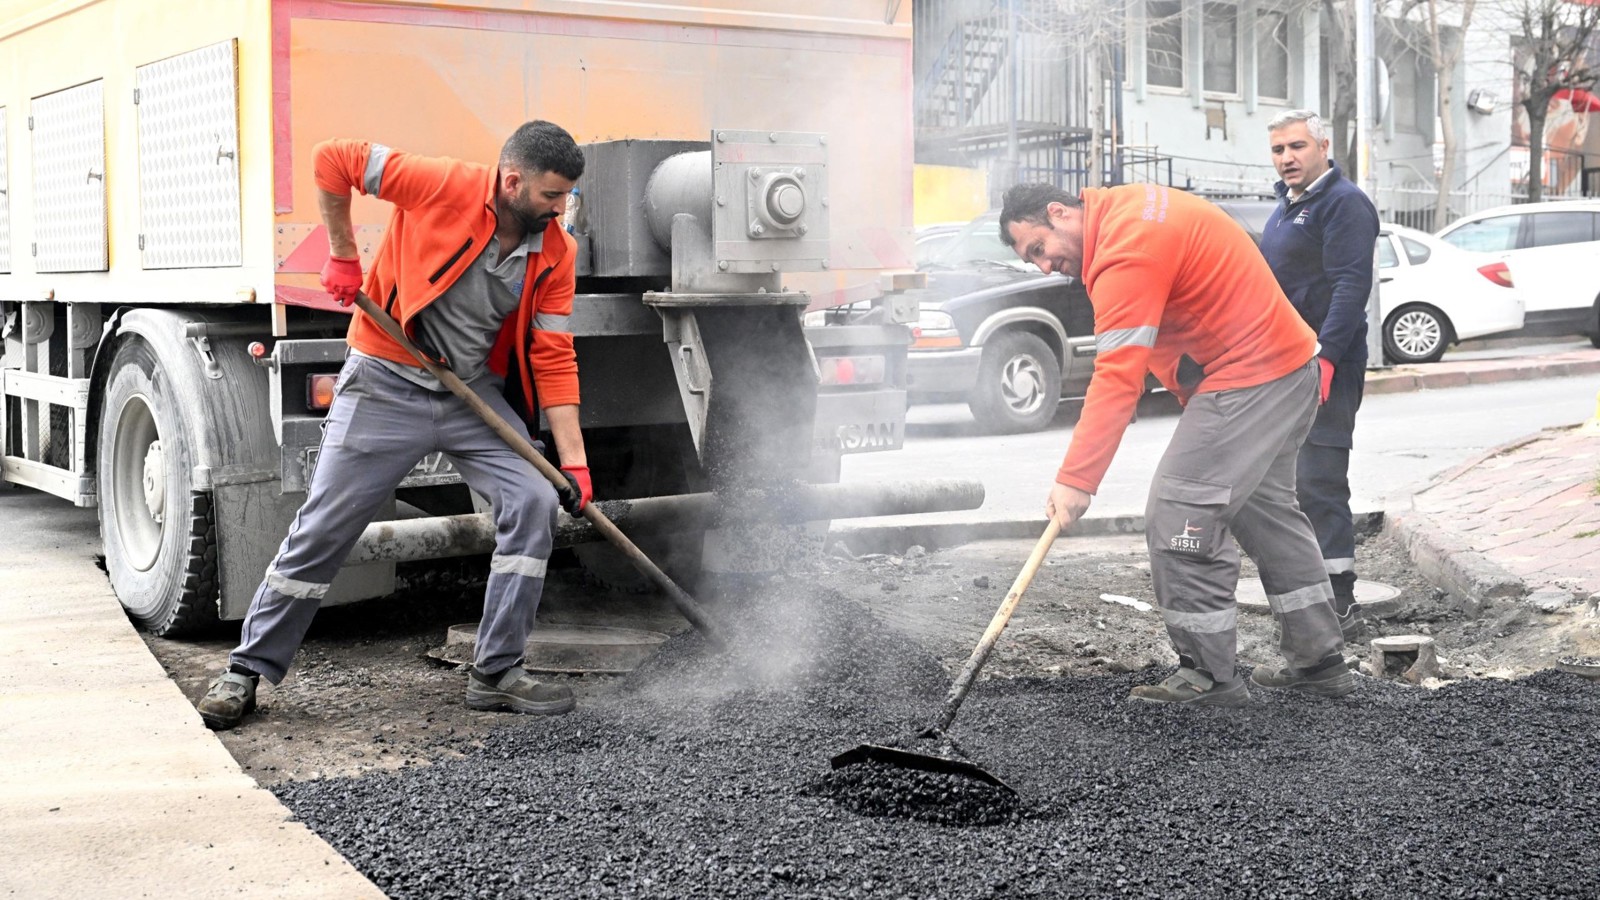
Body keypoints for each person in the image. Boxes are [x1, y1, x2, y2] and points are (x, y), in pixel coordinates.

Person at [197, 121, 594, 730]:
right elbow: (332, 155)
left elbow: (552, 356)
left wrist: (574, 463)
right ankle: (245, 671)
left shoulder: (555, 253)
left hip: (471, 399)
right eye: (551, 195)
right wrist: (342, 252)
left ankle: (496, 671)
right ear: (512, 181)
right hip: (385, 379)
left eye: (566, 196)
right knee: (325, 525)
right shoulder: (441, 184)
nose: (560, 208)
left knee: (536, 499)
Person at [999, 182, 1353, 706]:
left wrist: (1077, 480)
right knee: (1267, 513)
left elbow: (1118, 378)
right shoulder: (1127, 208)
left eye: (1038, 249)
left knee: (1180, 511)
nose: (1045, 266)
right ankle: (1319, 660)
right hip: (1284, 366)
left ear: (1058, 213)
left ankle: (1209, 676)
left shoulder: (1124, 250)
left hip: (1250, 378)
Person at [1260, 110, 1381, 640]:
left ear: (1323, 146)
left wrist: (1327, 357)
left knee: (1320, 478)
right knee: (1290, 483)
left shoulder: (1343, 203)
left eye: (1297, 147)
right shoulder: (1287, 206)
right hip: (1285, 362)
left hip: (1325, 362)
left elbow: (1352, 286)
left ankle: (1340, 604)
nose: (1287, 158)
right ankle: (1307, 597)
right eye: (1278, 149)